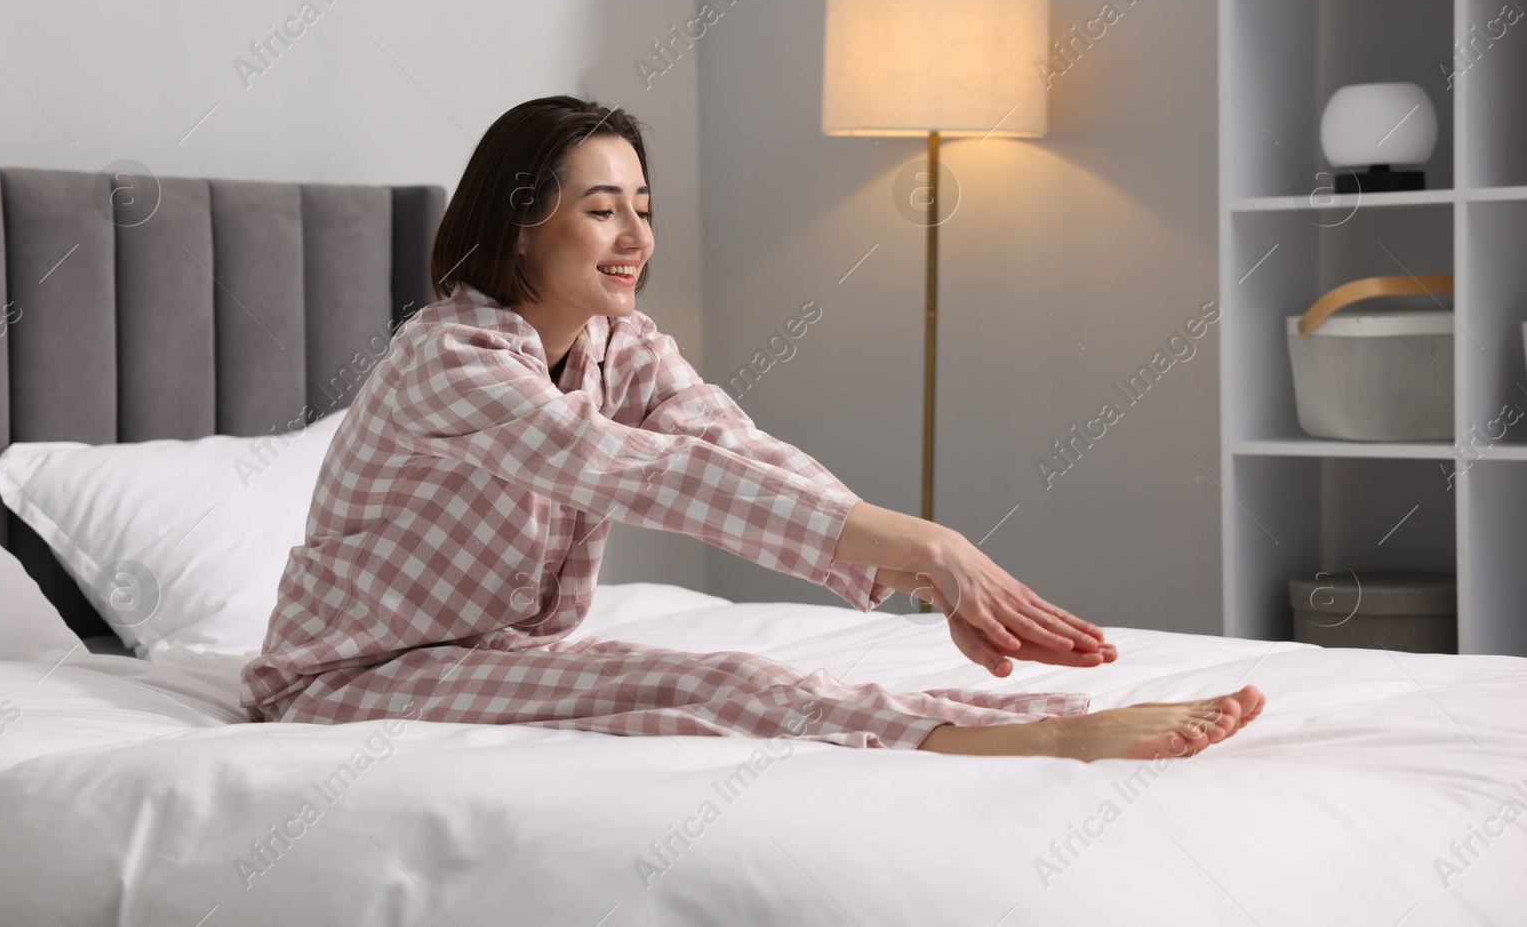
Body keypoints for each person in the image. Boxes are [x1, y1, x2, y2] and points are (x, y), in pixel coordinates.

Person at [239, 95, 1264, 759]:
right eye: (603, 210)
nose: (638, 236)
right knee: (704, 680)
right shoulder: (450, 359)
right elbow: (631, 471)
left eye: (643, 205)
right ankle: (1039, 745)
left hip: (483, 652)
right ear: (517, 219)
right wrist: (930, 543)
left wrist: (911, 572)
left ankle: (1026, 722)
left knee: (738, 678)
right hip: (348, 677)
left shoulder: (619, 343)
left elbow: (729, 451)